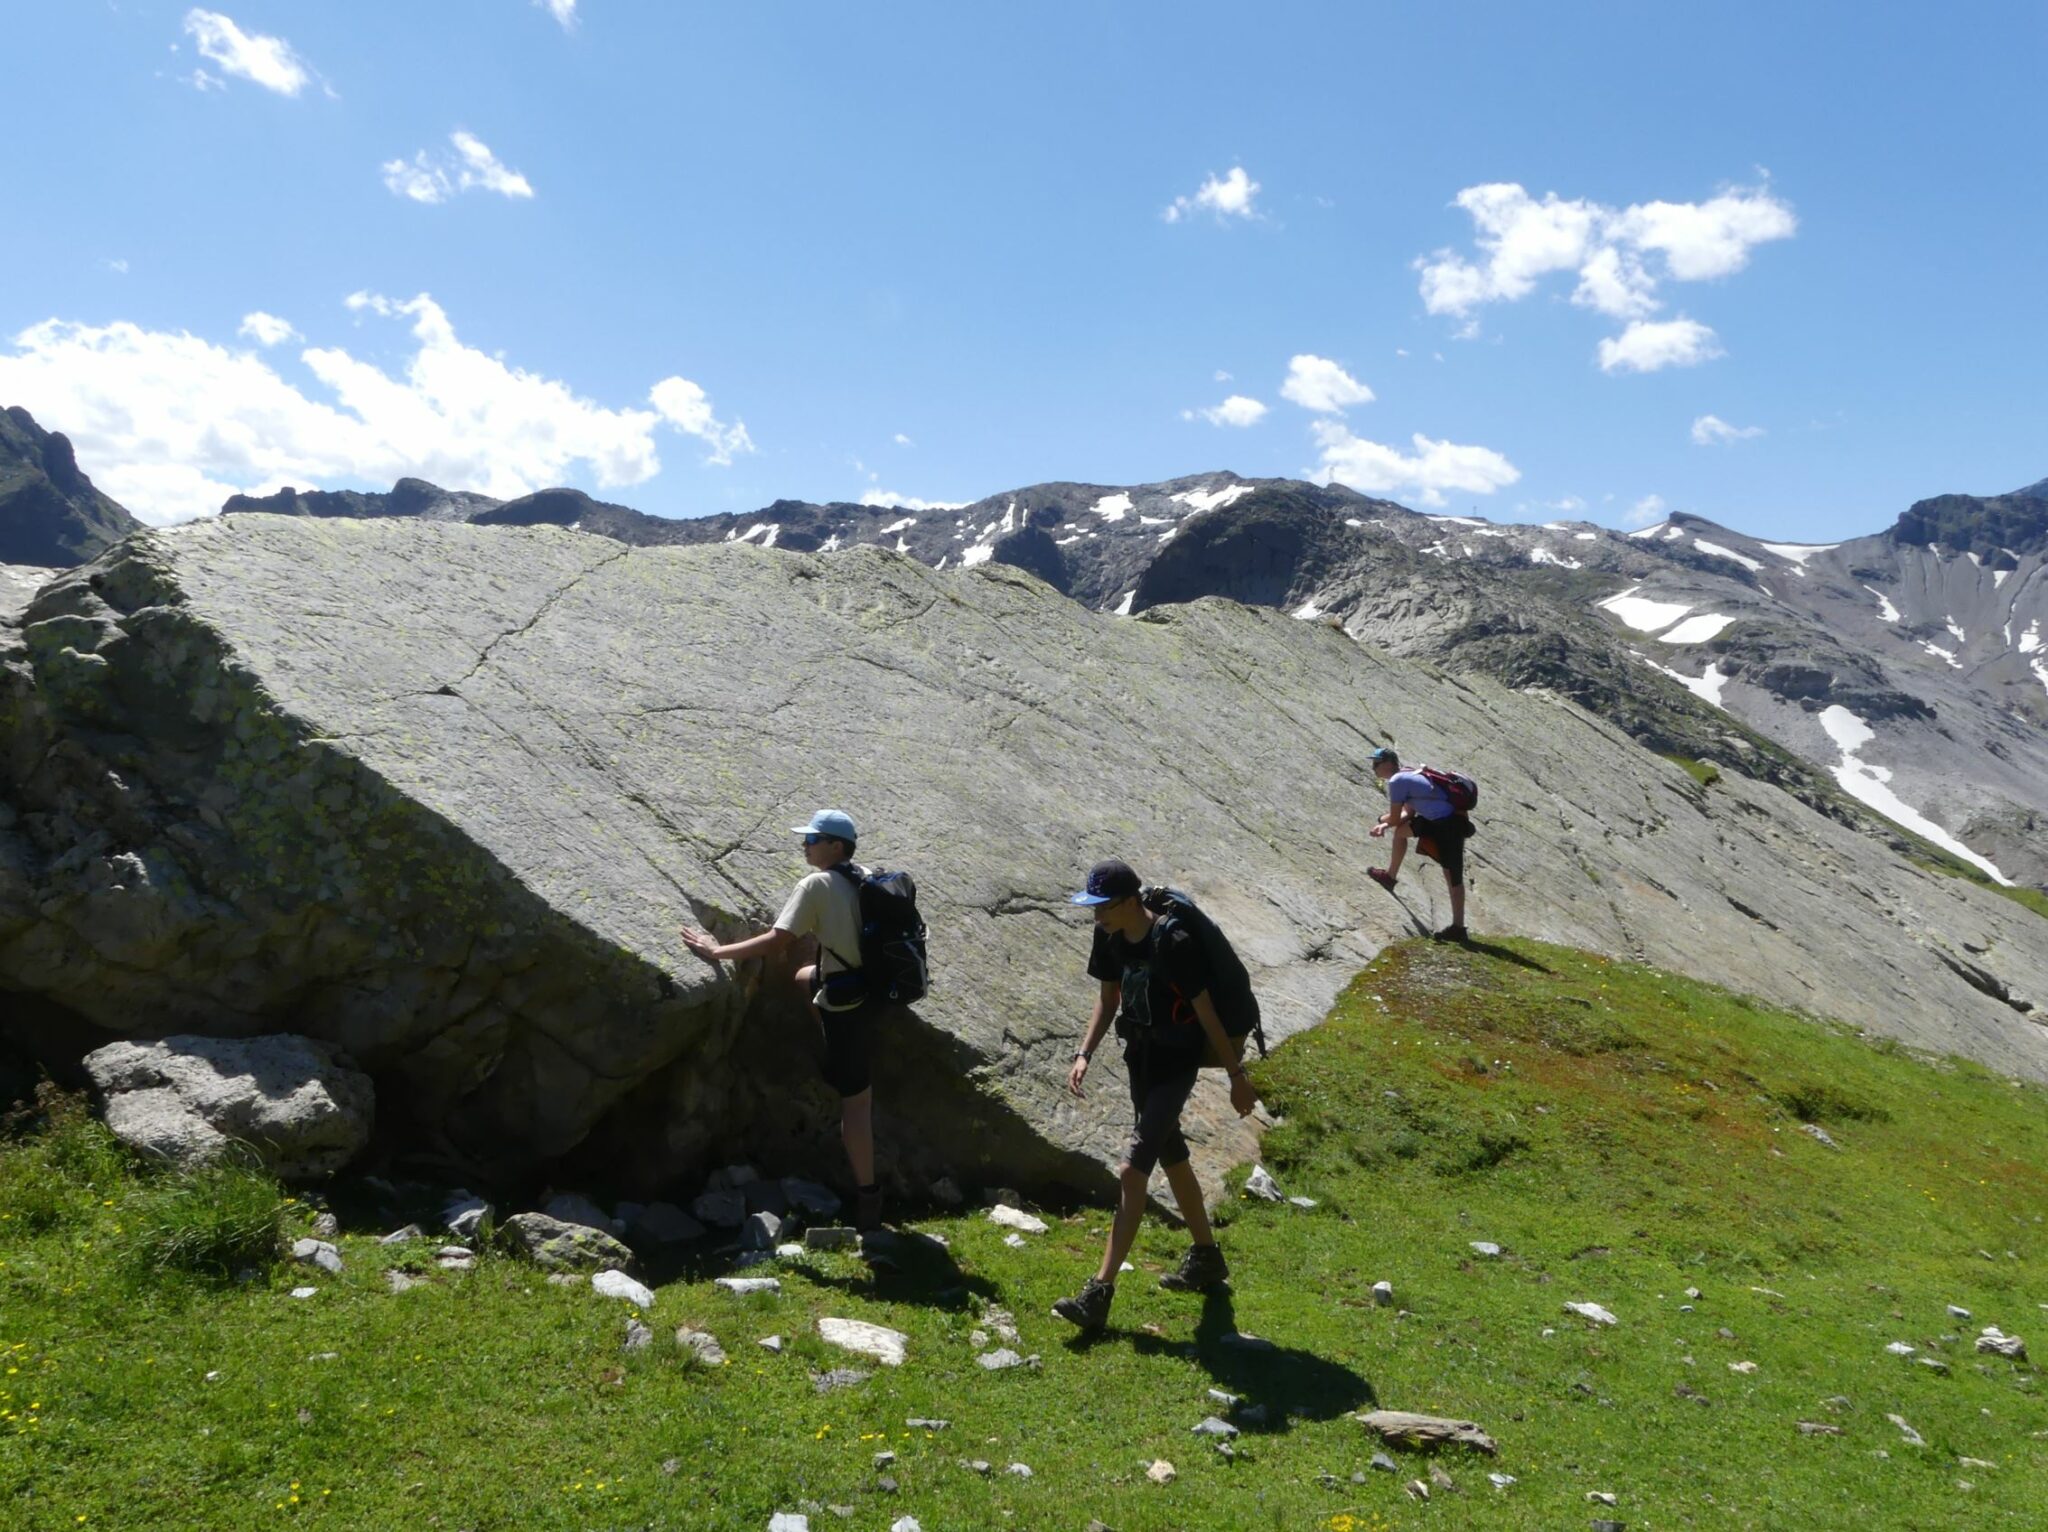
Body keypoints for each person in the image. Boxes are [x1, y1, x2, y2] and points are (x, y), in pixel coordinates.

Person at [1052, 858, 1257, 1334]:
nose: (1095, 915)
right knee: (1170, 1150)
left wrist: (1236, 1075)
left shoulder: (1174, 942)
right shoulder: (1108, 936)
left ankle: (1098, 1294)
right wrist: (1084, 1053)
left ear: (1129, 902)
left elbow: (1206, 1014)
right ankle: (1206, 1255)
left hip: (1176, 1062)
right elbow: (1109, 1000)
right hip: (1139, 1057)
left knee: (1133, 1166)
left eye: (1102, 906)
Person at [679, 809, 884, 1230]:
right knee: (805, 975)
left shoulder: (817, 885)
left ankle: (868, 1197)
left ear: (835, 847)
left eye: (813, 839)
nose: (805, 845)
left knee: (856, 1107)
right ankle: (831, 1039)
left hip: (848, 1007)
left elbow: (777, 941)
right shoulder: (869, 875)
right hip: (877, 993)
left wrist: (716, 952)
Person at [1365, 746, 1470, 941]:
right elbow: (1408, 814)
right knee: (1401, 833)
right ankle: (1390, 876)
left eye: (1376, 764)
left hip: (1449, 825)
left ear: (1388, 765)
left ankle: (1458, 928)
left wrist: (1382, 821)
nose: (1374, 768)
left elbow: (1396, 817)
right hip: (1434, 820)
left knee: (1452, 875)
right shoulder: (1409, 773)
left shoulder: (1397, 781)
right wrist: (1386, 825)